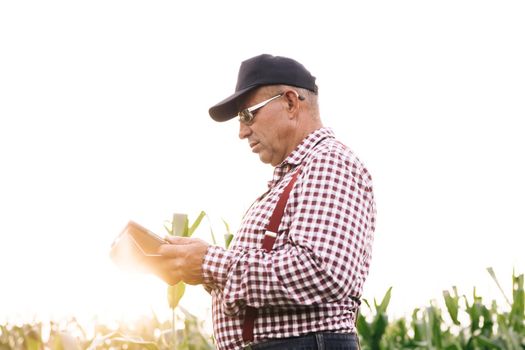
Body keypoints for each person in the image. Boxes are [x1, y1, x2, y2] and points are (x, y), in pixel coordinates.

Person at [153, 54, 376, 350]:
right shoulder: (294, 175)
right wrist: (195, 268)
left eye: (247, 115)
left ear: (291, 103)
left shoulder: (328, 163)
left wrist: (209, 262)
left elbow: (321, 271)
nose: (242, 132)